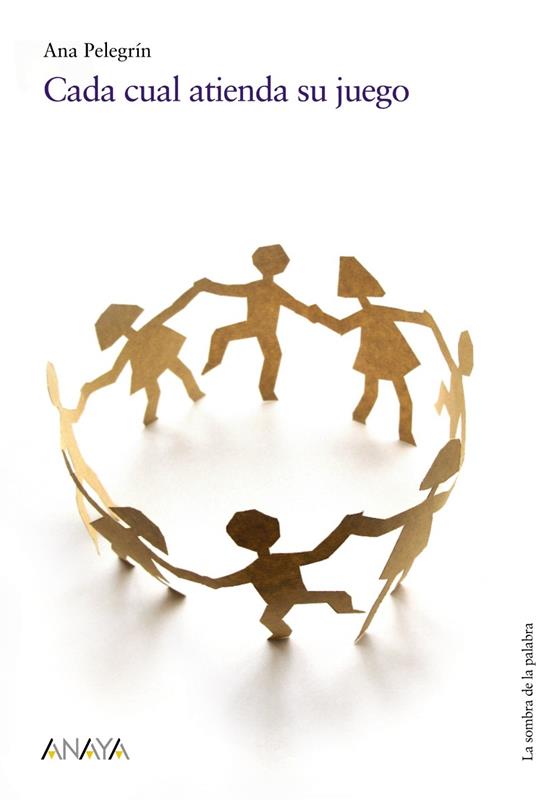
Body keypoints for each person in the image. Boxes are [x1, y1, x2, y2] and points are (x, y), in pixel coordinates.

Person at [173, 509, 387, 639]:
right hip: (282, 602)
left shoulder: (258, 568)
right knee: (270, 618)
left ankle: (341, 606)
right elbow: (321, 553)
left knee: (273, 617)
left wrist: (345, 528)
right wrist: (344, 528)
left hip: (289, 598)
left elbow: (215, 583)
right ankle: (338, 606)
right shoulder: (264, 566)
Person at [353, 438, 462, 642]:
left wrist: (358, 527)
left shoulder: (429, 505)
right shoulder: (433, 502)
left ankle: (369, 619)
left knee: (393, 575)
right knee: (398, 571)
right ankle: (386, 595)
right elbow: (390, 525)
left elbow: (389, 524)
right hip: (416, 539)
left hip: (412, 539)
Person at [315, 257, 432, 445]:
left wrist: (320, 316)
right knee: (396, 397)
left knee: (379, 394)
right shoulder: (372, 312)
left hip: (383, 358)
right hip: (382, 357)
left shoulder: (372, 312)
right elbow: (407, 316)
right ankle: (399, 431)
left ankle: (372, 420)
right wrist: (320, 316)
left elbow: (341, 326)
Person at [195, 244, 320, 400]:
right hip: (256, 327)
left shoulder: (274, 290)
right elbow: (228, 290)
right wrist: (208, 286)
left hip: (263, 330)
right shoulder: (261, 288)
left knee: (272, 355)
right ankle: (215, 363)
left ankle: (266, 390)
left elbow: (296, 305)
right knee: (224, 335)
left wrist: (311, 313)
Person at [79, 285, 204, 425]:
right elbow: (113, 374)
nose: (127, 330)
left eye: (125, 326)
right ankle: (150, 418)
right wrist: (91, 386)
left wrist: (195, 290)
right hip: (148, 368)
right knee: (156, 392)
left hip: (163, 356)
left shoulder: (145, 331)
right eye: (122, 328)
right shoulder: (131, 345)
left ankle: (195, 394)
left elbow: (173, 309)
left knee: (183, 374)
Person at [47, 361, 115, 551]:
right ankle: (94, 531)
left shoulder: (65, 415)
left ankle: (112, 510)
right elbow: (63, 448)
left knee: (95, 484)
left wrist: (84, 395)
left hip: (81, 465)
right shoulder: (62, 418)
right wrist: (71, 471)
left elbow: (77, 415)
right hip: (77, 469)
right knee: (81, 497)